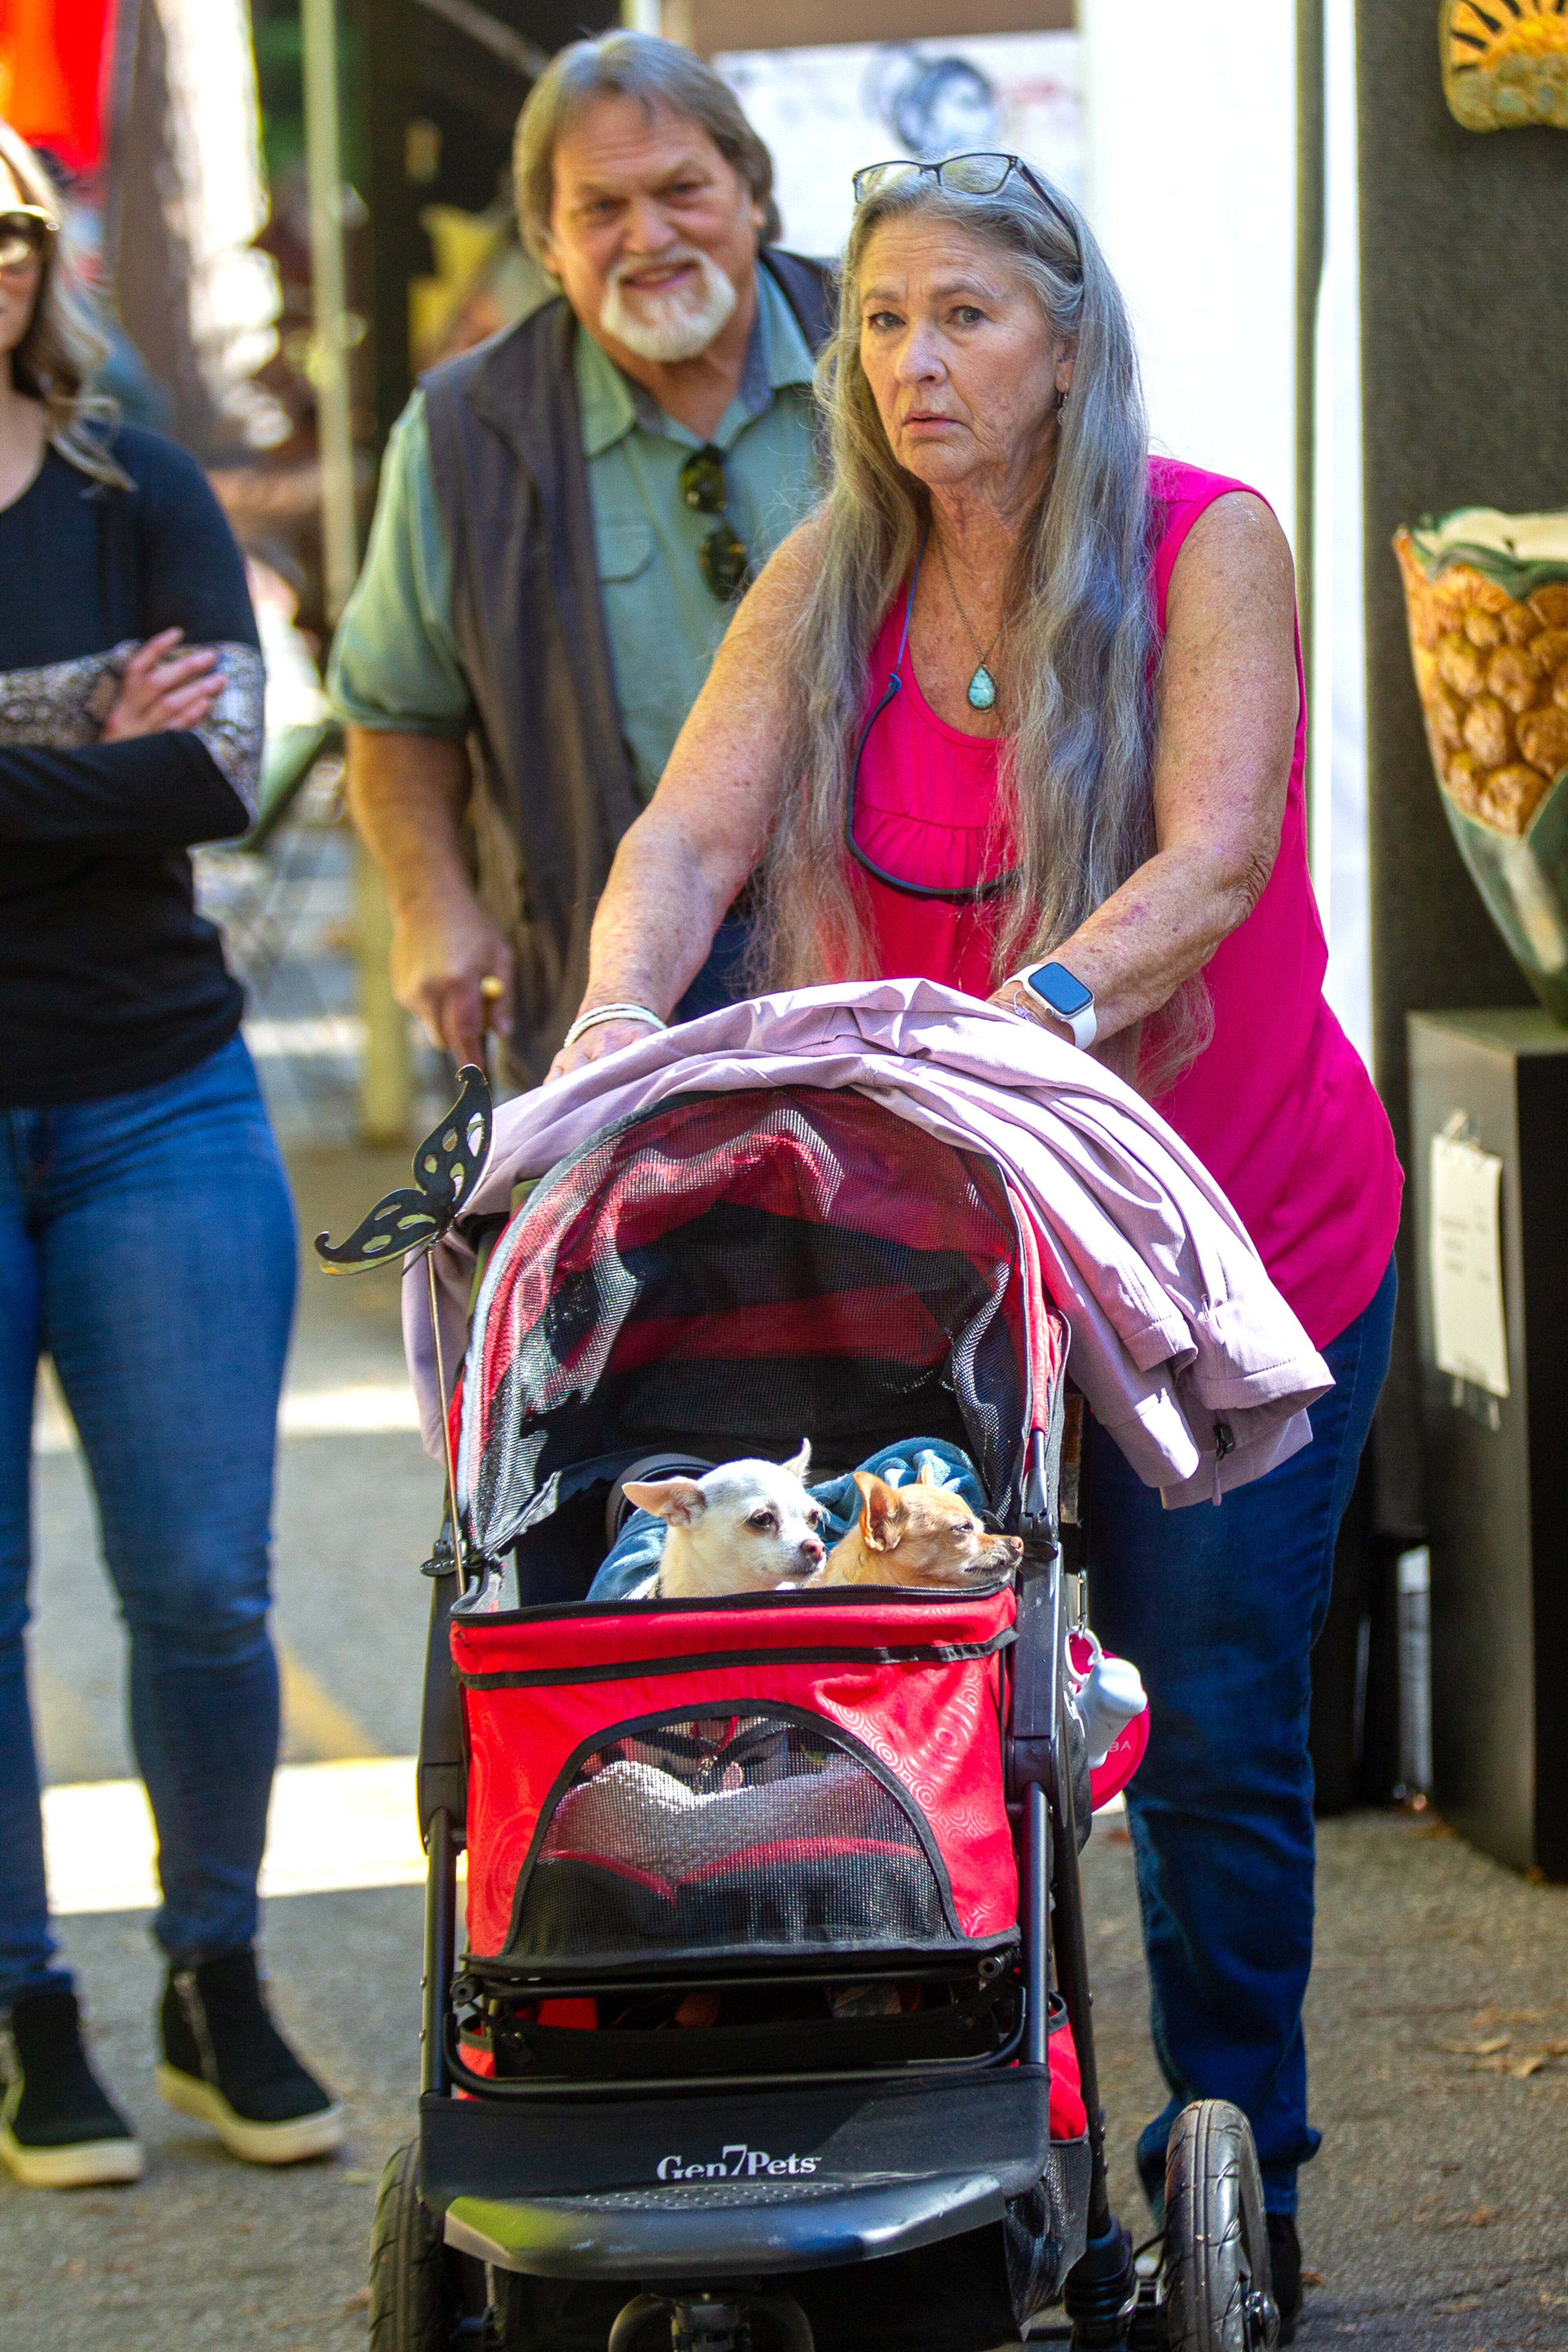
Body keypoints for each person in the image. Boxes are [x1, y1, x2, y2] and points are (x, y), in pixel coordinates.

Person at [550, 153, 1403, 2338]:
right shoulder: (841, 571)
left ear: (1068, 339)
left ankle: (1245, 2174)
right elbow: (686, 835)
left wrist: (1005, 1030)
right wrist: (612, 1035)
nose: (915, 364)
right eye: (888, 324)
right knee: (914, 1702)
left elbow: (1212, 864)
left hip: (1223, 1249)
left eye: (969, 321)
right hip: (945, 1285)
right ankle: (925, 2144)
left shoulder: (1209, 541)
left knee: (1207, 1729)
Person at [0, 121, 339, 2187]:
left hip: (156, 1098)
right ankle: (26, 2006)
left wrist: (82, 753)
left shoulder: (146, 493)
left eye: (5, 231)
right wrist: (77, 741)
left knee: (206, 1585)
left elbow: (214, 774)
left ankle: (216, 1976)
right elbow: (134, 766)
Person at [331, 31, 835, 1081]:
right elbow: (393, 711)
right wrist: (432, 907)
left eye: (682, 190)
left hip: (902, 935)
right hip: (618, 979)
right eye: (600, 211)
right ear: (547, 244)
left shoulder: (885, 346)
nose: (648, 237)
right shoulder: (467, 432)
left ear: (753, 191)